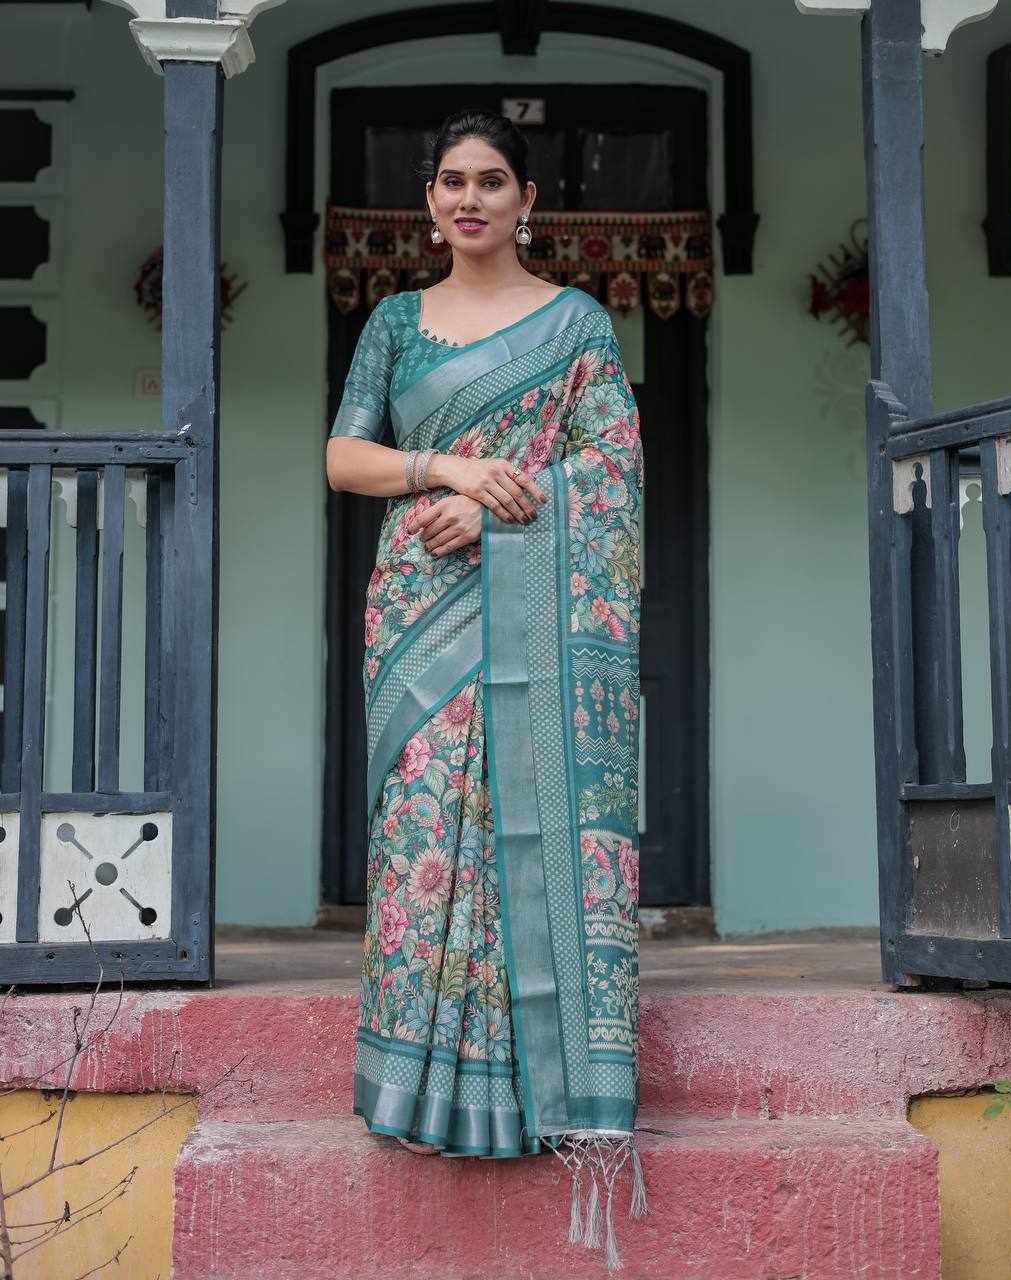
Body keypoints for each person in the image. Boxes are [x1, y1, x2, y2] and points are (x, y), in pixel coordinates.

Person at [325, 105, 646, 1271]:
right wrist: (447, 469)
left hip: (526, 601)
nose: (470, 198)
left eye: (492, 181)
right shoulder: (394, 324)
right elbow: (343, 457)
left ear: (527, 202)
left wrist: (510, 509)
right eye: (452, 180)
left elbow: (611, 470)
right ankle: (417, 1087)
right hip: (418, 612)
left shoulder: (576, 325)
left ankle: (533, 1091)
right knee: (424, 837)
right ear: (428, 200)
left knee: (520, 825)